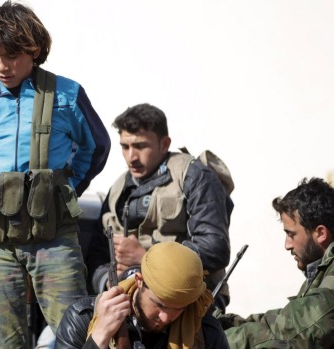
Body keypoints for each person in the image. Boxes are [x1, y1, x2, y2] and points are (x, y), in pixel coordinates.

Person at [0, 2, 111, 348]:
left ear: (34, 50)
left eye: (12, 56)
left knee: (78, 333)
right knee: (6, 341)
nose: (2, 67)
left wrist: (67, 190)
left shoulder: (67, 94)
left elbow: (96, 147)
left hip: (54, 239)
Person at [92, 103, 233, 311]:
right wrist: (108, 280)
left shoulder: (194, 176)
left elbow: (215, 249)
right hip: (133, 298)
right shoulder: (118, 189)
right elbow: (95, 254)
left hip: (189, 298)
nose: (132, 157)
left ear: (164, 144)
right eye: (125, 146)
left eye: (140, 146)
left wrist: (145, 257)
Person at [221, 178, 334, 348]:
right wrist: (224, 322)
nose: (287, 245)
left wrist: (212, 339)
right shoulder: (320, 269)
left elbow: (285, 331)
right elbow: (279, 321)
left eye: (291, 234)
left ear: (320, 233)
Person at [55, 241, 229, 349]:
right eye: (159, 304)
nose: (165, 317)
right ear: (139, 280)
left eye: (178, 308)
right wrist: (100, 336)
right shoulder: (82, 320)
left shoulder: (204, 332)